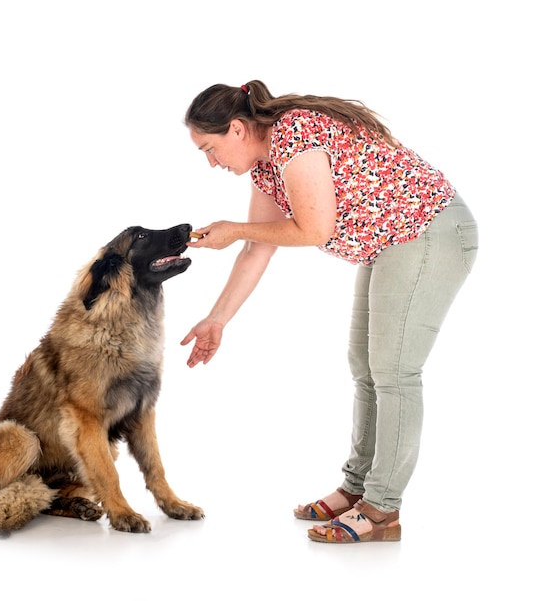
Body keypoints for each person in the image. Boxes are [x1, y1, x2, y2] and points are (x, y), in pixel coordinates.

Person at [181, 80, 478, 544]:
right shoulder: (266, 168)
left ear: (236, 129)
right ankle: (359, 487)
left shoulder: (294, 134)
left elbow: (314, 229)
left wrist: (233, 229)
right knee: (365, 368)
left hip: (429, 233)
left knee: (395, 372)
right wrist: (217, 319)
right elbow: (259, 249)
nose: (211, 162)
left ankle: (382, 510)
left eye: (209, 148)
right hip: (392, 244)